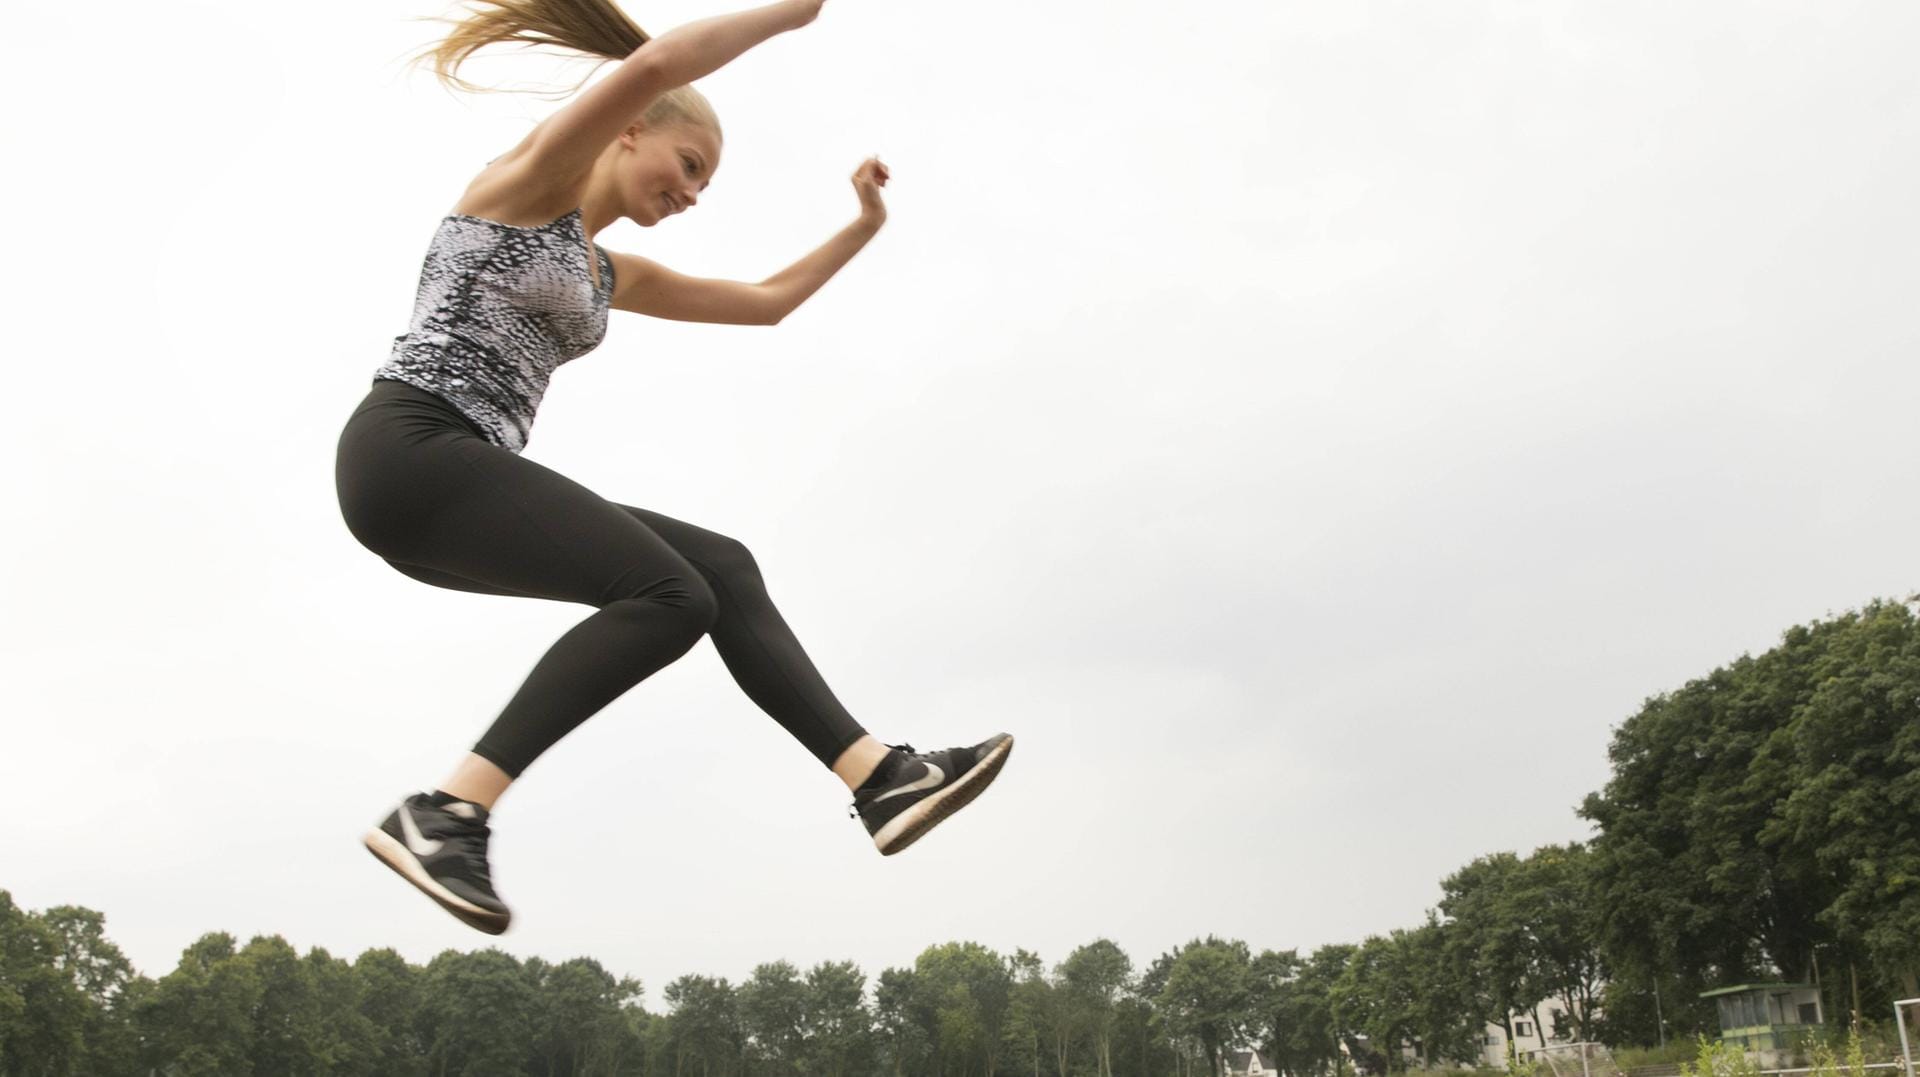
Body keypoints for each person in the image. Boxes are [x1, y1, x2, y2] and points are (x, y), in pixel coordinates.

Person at [334, 0, 1012, 935]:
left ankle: (880, 777)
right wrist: (796, 13)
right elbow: (662, 63)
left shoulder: (604, 271)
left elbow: (767, 301)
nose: (693, 193)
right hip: (413, 449)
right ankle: (447, 812)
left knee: (719, 567)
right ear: (627, 129)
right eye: (689, 166)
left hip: (451, 480)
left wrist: (865, 223)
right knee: (668, 594)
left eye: (705, 183)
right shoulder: (524, 185)